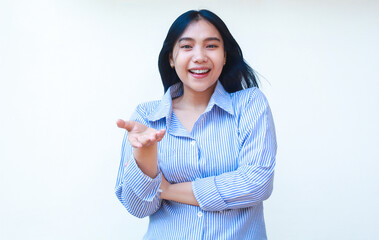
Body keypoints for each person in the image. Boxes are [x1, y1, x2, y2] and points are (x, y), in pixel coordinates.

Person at [115, 9, 277, 240]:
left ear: (225, 56)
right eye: (187, 46)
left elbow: (256, 184)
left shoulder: (250, 105)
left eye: (211, 46)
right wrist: (146, 154)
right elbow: (138, 208)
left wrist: (168, 190)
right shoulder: (146, 117)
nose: (199, 56)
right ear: (171, 57)